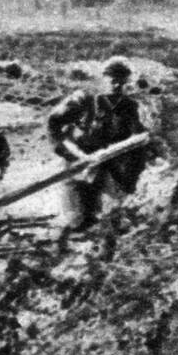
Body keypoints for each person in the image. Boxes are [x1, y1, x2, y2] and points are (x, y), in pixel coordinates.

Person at [46, 56, 148, 253]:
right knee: (76, 220)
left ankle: (104, 255)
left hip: (109, 167)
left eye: (123, 82)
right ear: (103, 78)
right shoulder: (83, 100)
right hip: (79, 167)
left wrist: (130, 180)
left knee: (111, 220)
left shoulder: (129, 107)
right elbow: (54, 122)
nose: (117, 85)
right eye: (113, 80)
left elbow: (139, 142)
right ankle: (63, 252)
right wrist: (74, 155)